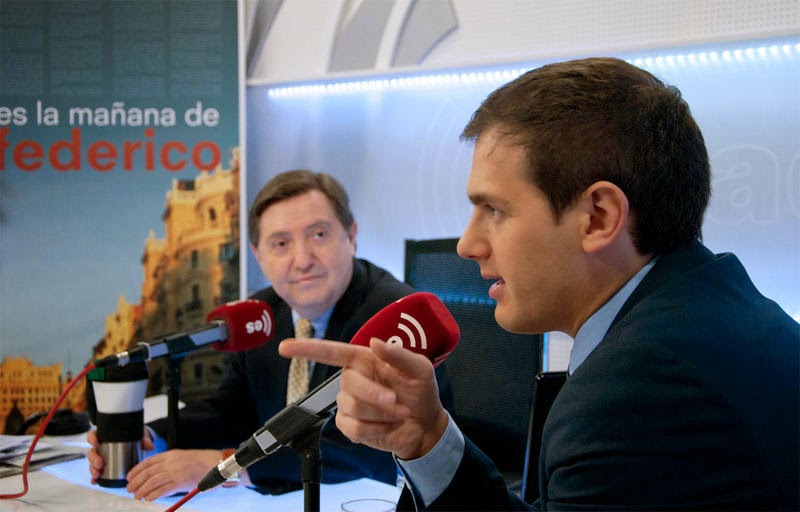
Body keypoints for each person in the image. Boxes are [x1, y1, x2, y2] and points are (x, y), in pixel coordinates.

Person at [279, 58, 800, 511]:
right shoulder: (710, 304)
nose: (467, 244)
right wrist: (427, 440)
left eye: (494, 209)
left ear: (599, 217)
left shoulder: (634, 390)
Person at [86, 169, 453, 501]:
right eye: (280, 244)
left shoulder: (395, 320)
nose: (303, 259)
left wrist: (226, 465)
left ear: (351, 236)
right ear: (258, 255)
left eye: (319, 234)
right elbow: (231, 411)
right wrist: (152, 437)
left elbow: (363, 450)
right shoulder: (261, 315)